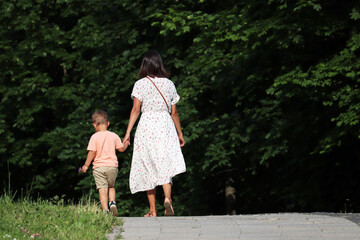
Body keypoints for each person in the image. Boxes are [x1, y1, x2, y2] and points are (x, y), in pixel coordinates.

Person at [123, 50, 186, 217]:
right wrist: (180, 133)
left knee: (148, 165)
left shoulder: (140, 84)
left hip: (147, 126)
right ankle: (167, 199)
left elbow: (136, 110)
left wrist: (128, 132)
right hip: (165, 126)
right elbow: (174, 113)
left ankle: (152, 210)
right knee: (164, 162)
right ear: (159, 64)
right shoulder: (169, 84)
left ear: (144, 65)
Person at [82, 110, 129, 216]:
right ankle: (112, 203)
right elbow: (121, 149)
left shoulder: (94, 137)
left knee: (102, 189)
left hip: (99, 167)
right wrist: (126, 143)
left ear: (94, 125)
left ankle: (105, 210)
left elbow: (92, 152)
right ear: (108, 123)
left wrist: (86, 165)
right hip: (112, 166)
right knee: (111, 186)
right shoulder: (114, 135)